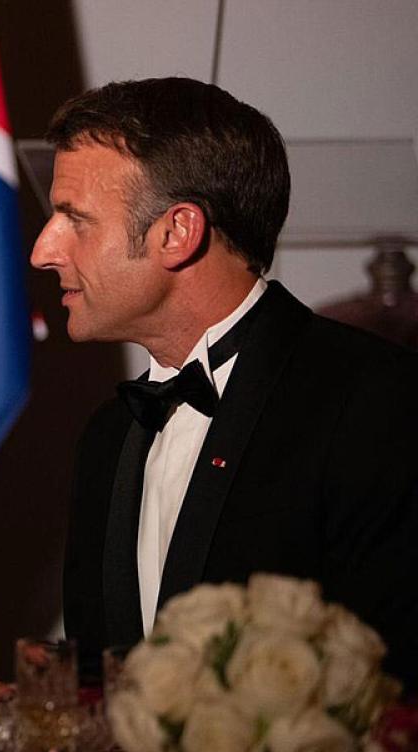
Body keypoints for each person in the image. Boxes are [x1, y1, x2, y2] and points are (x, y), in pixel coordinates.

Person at [31, 77, 418, 688]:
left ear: (178, 232)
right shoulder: (108, 437)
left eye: (74, 219)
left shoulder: (377, 402)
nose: (43, 250)